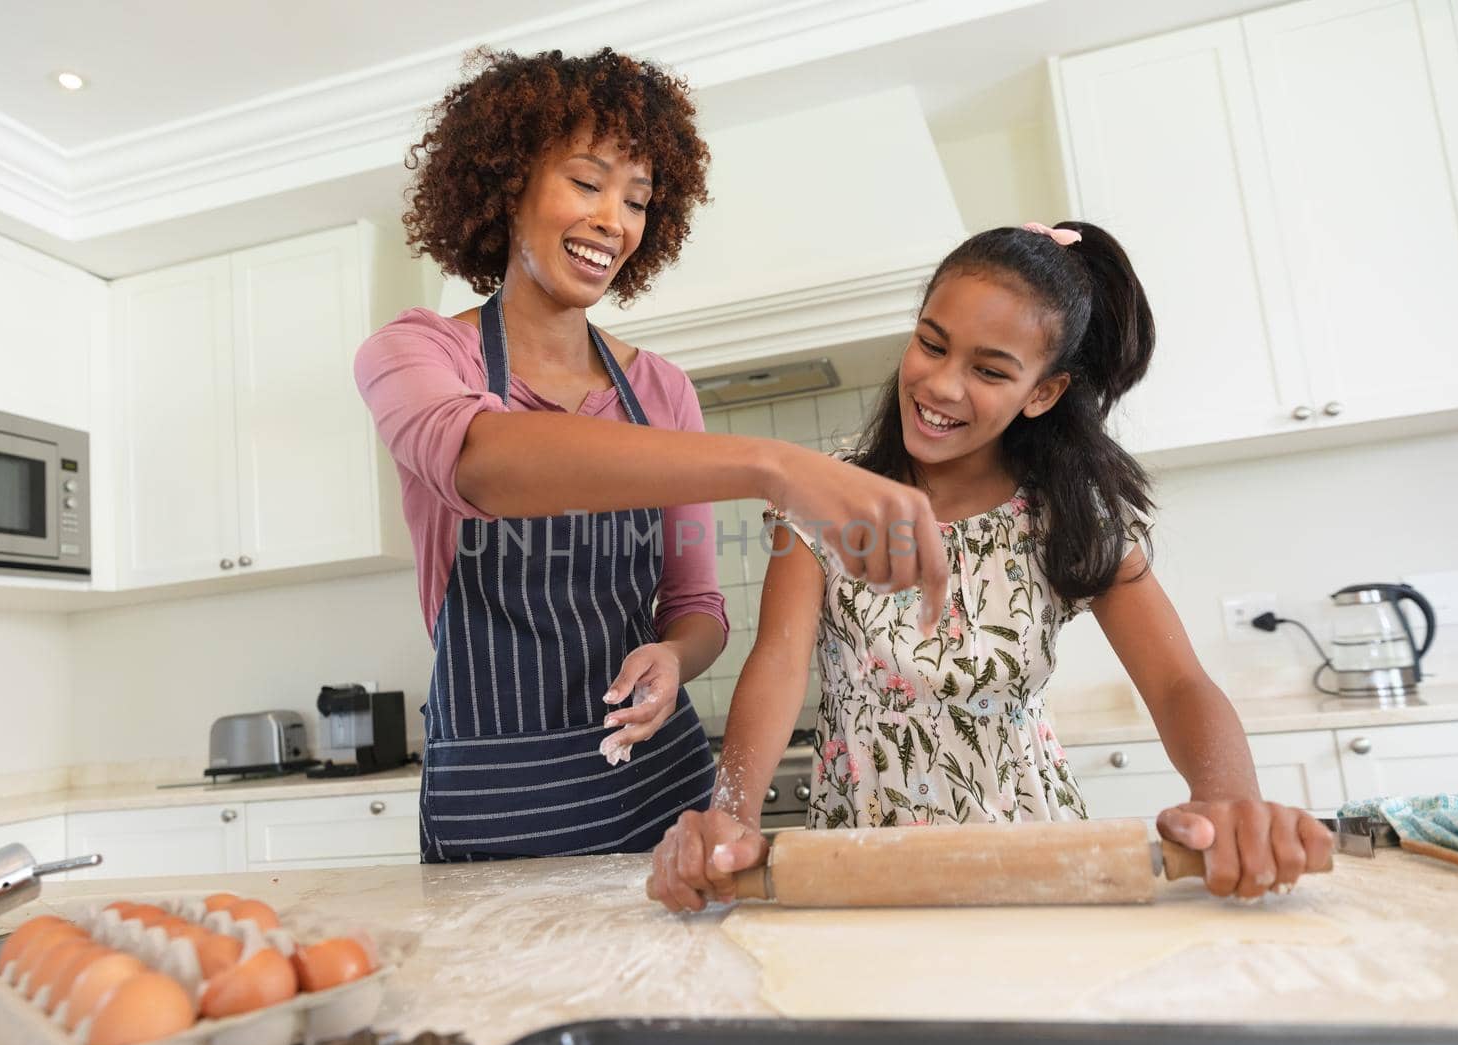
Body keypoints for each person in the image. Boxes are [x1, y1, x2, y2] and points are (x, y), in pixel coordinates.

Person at [354, 47, 948, 862]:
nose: (615, 221)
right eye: (587, 183)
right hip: (496, 804)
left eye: (637, 199)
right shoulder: (415, 354)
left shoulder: (662, 391)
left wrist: (674, 654)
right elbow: (485, 462)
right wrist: (773, 464)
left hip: (658, 795)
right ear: (508, 183)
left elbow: (698, 604)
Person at [647, 221, 1336, 905]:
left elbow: (1179, 682)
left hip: (1038, 864)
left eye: (989, 369)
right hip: (860, 867)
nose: (942, 385)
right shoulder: (828, 500)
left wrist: (1230, 799)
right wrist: (731, 814)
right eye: (931, 343)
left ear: (1043, 391)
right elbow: (778, 660)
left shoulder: (1069, 515)